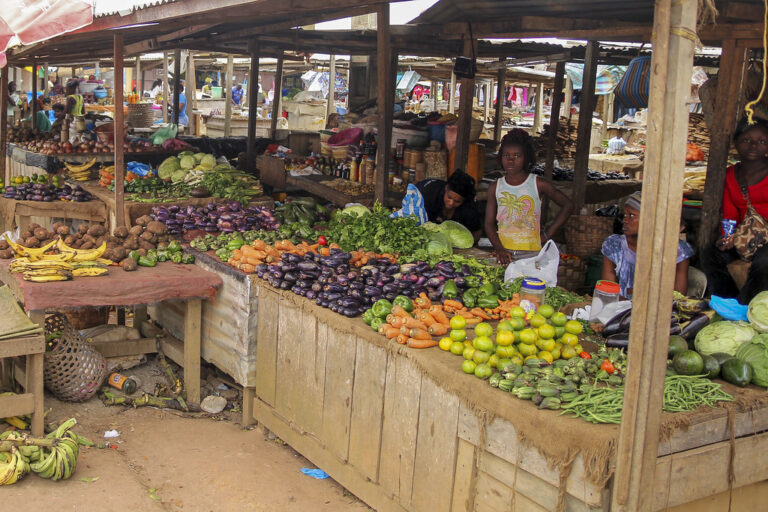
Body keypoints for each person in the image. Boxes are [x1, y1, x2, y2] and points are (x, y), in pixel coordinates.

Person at [701, 117, 768, 304]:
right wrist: (727, 237)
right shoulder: (731, 175)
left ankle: (744, 304)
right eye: (747, 140)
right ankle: (725, 302)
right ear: (736, 143)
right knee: (710, 255)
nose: (754, 145)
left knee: (764, 261)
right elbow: (730, 215)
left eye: (761, 141)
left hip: (766, 242)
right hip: (746, 238)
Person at [485, 129, 574, 264]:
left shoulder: (538, 184)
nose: (510, 160)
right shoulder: (495, 187)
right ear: (500, 157)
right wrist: (499, 249)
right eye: (506, 155)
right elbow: (489, 223)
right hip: (505, 253)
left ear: (526, 157)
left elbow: (568, 205)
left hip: (532, 254)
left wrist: (549, 233)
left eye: (517, 156)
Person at [602, 191, 693, 299]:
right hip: (621, 310)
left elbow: (678, 296)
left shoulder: (677, 250)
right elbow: (608, 292)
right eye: (625, 215)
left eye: (631, 215)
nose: (625, 220)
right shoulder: (614, 245)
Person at [416, 170, 483, 240]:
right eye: (449, 197)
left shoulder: (468, 207)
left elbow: (476, 232)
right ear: (446, 188)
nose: (451, 203)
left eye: (457, 201)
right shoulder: (429, 195)